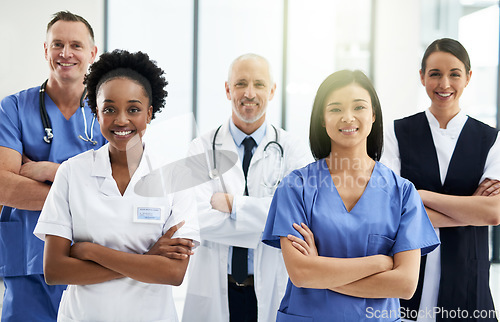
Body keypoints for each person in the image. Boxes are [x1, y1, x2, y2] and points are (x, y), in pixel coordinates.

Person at [33, 49, 200, 321]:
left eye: (133, 109)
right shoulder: (72, 173)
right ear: (96, 113)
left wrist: (91, 251)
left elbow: (173, 273)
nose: (121, 120)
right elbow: (55, 271)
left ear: (149, 113)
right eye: (109, 109)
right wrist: (148, 259)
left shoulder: (175, 177)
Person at [262, 69, 441, 321]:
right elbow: (301, 274)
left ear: (373, 115)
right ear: (322, 119)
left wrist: (321, 273)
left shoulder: (401, 192)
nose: (347, 117)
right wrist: (379, 263)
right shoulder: (296, 187)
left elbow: (405, 285)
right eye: (335, 109)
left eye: (358, 107)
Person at [182, 53, 313, 322]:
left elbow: (297, 219)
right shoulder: (201, 148)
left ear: (273, 90)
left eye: (259, 84)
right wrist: (269, 223)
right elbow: (196, 219)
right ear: (228, 89)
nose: (250, 93)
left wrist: (233, 205)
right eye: (241, 83)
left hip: (270, 288)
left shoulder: (293, 150)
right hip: (217, 289)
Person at [381, 38, 500, 322]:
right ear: (422, 77)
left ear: (468, 77)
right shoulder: (396, 134)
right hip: (409, 278)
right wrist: (471, 209)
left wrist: (420, 196)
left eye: (454, 74)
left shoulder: (490, 140)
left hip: (468, 283)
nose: (444, 84)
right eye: (435, 74)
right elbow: (390, 210)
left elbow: (493, 212)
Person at [0, 11, 105, 321]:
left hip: (89, 257)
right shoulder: (14, 108)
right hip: (27, 260)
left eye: (76, 45)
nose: (66, 53)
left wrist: (49, 171)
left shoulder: (108, 112)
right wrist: (85, 191)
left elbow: (122, 191)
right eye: (57, 44)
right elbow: (5, 187)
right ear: (45, 50)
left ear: (92, 53)